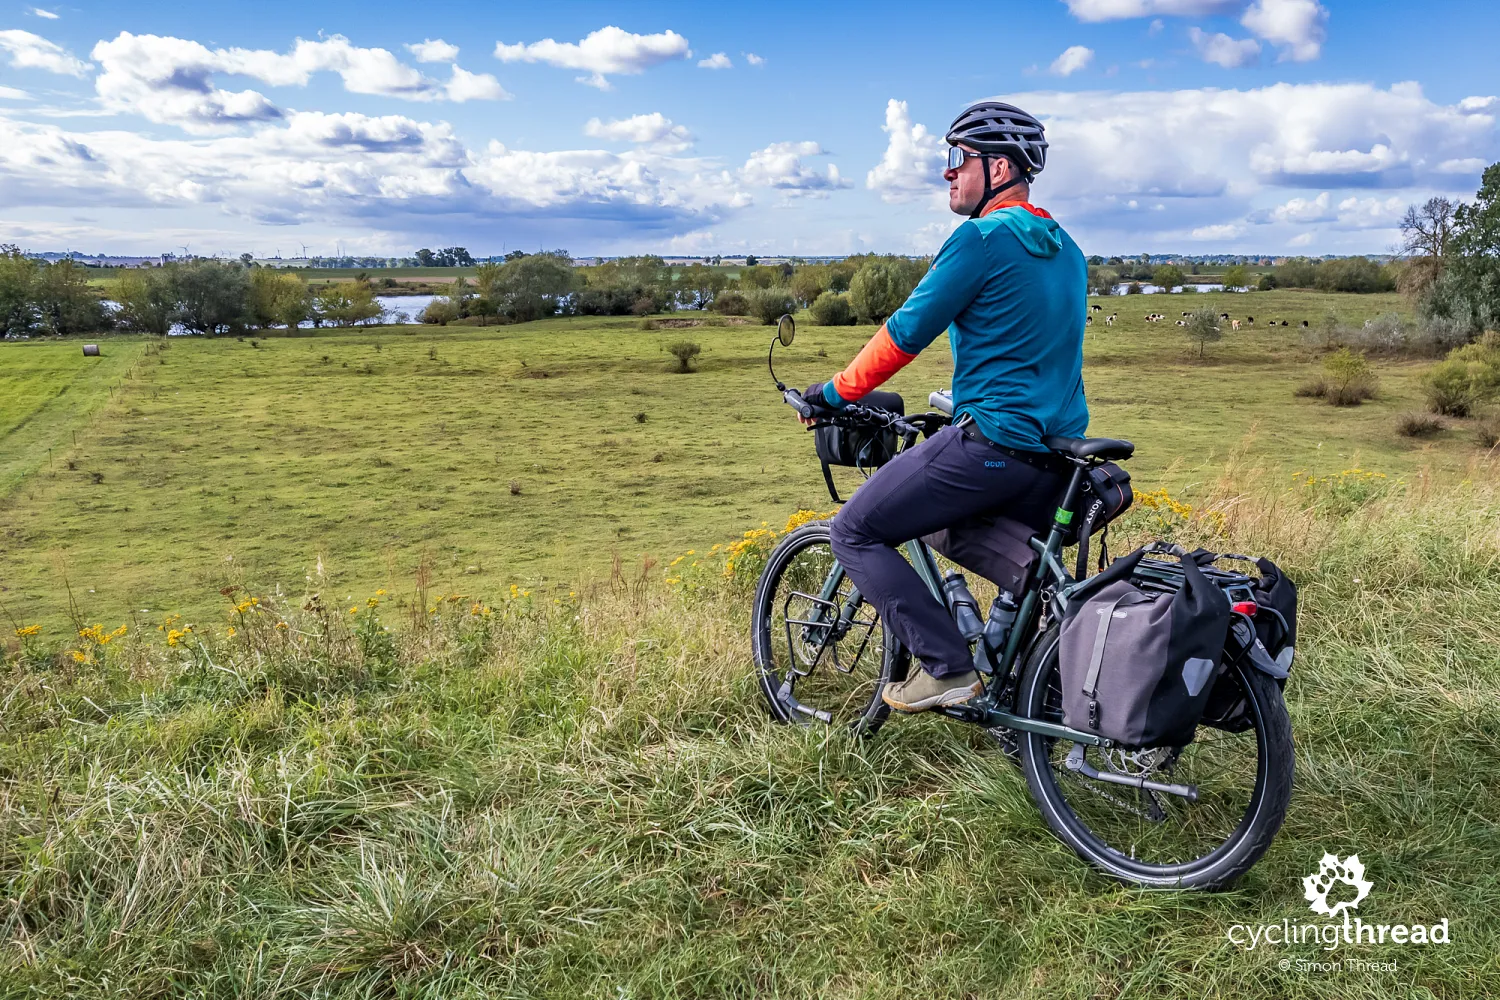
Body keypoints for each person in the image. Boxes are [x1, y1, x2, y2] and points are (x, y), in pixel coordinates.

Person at [800, 100, 1089, 713]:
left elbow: (904, 333)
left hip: (996, 447)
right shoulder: (1068, 251)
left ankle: (947, 667)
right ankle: (1018, 690)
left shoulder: (980, 240)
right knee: (988, 546)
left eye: (960, 159)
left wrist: (832, 394)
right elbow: (1031, 352)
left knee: (854, 530)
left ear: (1001, 168)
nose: (948, 172)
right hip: (1055, 460)